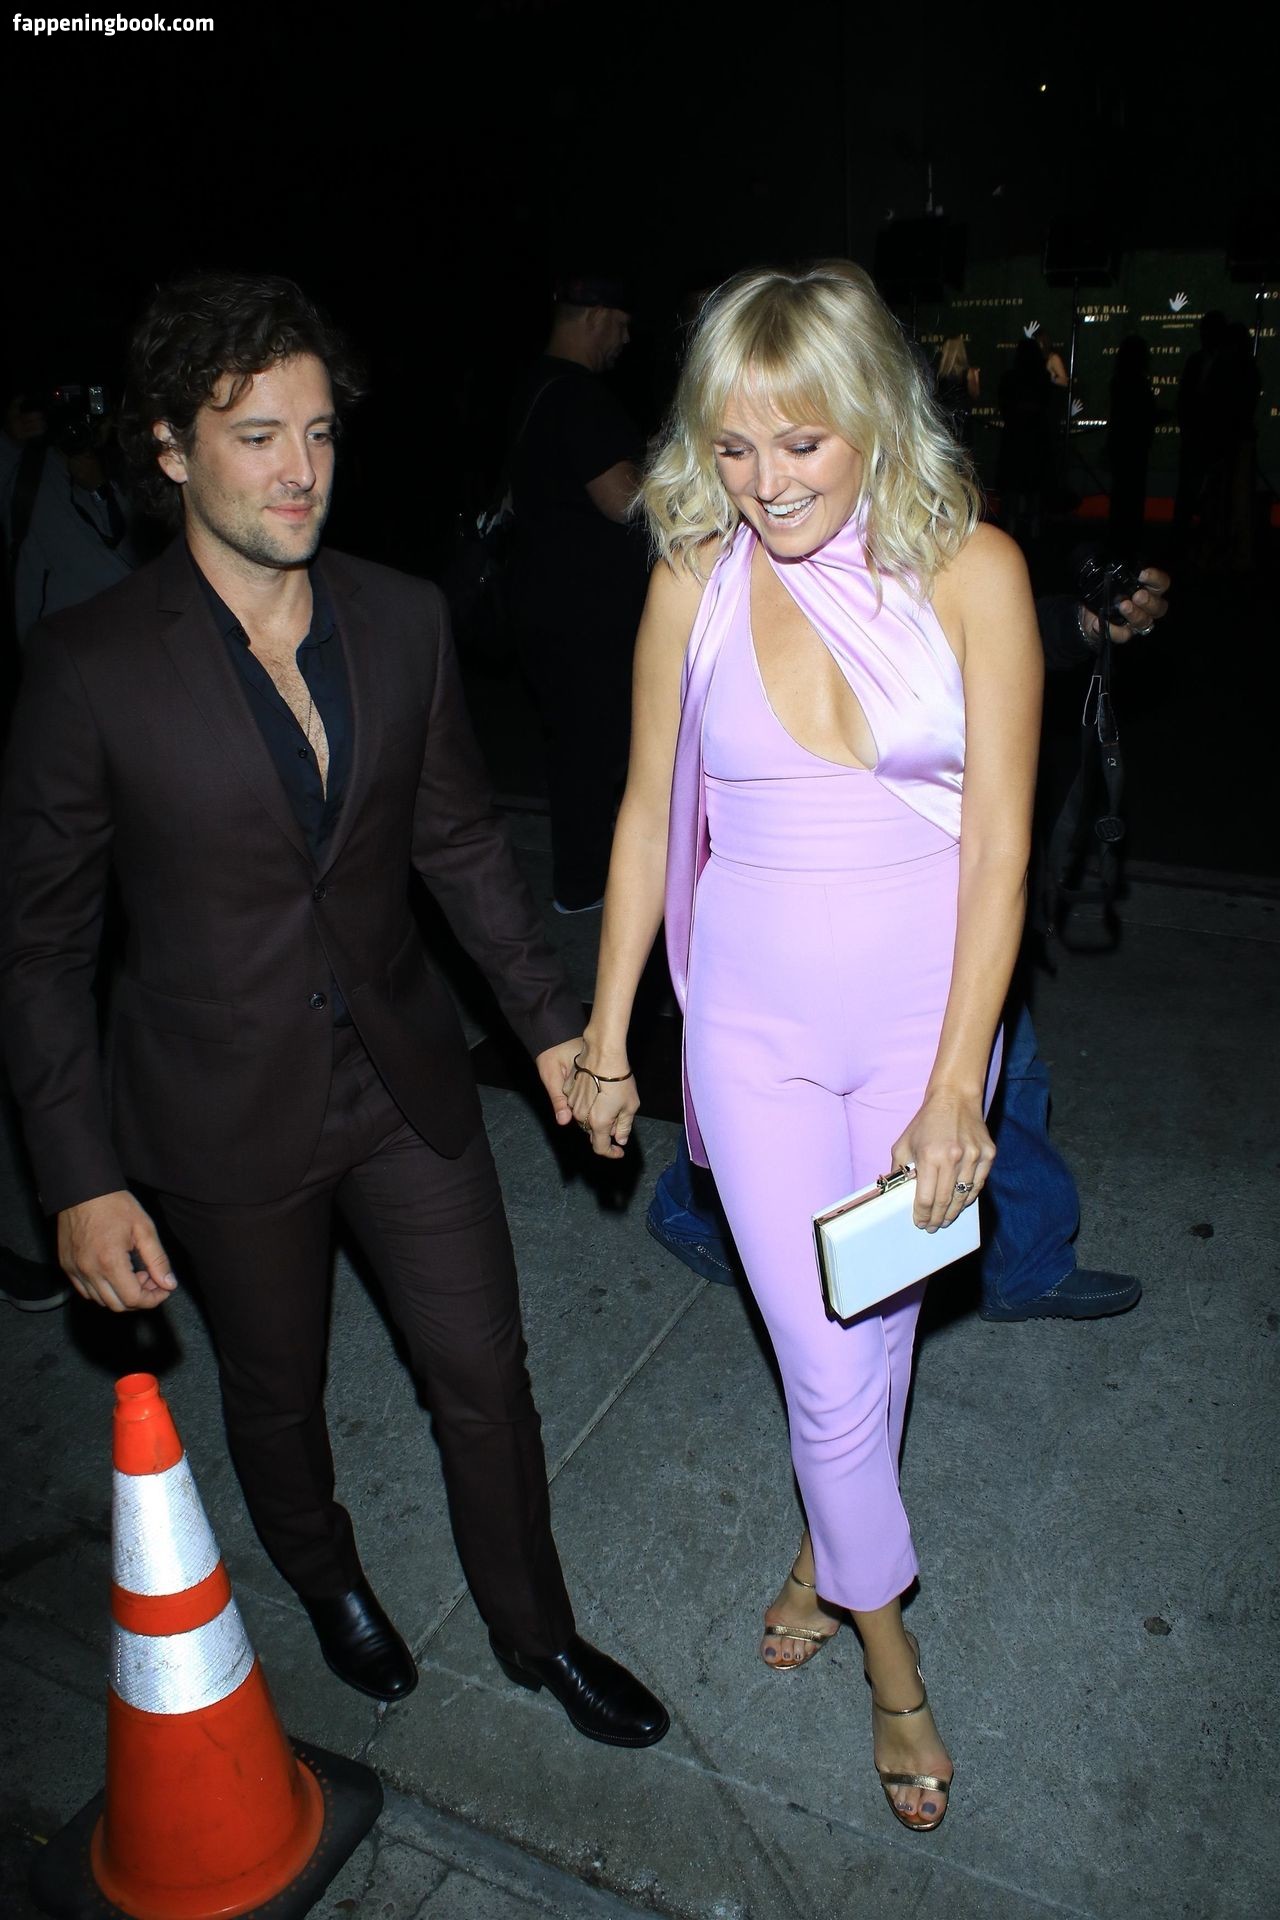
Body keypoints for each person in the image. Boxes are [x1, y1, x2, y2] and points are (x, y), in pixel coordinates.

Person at [0, 271, 667, 1750]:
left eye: (317, 432)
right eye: (256, 436)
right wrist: (79, 1178)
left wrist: (552, 1029)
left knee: (483, 1371)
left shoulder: (401, 618)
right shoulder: (90, 667)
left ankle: (536, 1631)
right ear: (170, 446)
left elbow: (460, 846)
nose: (299, 468)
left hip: (401, 1078)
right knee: (276, 1387)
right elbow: (39, 950)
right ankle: (325, 1578)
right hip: (219, 1108)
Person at [568, 262, 1043, 1832]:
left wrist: (959, 1084)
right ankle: (893, 1663)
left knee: (878, 1325)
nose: (764, 482)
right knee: (827, 1353)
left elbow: (1001, 852)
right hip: (752, 1034)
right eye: (733, 444)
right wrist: (607, 1029)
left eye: (801, 443)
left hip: (924, 1036)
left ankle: (823, 1555)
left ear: (873, 420)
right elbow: (649, 814)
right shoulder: (693, 577)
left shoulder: (973, 572)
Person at [647, 571, 1171, 1320]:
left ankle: (1023, 1256)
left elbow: (963, 604)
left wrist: (1079, 624)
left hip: (938, 873)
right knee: (791, 1068)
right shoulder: (739, 564)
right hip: (828, 860)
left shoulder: (966, 552)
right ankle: (698, 1202)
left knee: (991, 1066)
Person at [506, 271, 650, 912]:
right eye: (621, 325)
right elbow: (624, 501)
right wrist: (672, 482)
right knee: (594, 753)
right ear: (595, 316)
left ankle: (582, 876)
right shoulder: (578, 395)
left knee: (574, 746)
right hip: (583, 617)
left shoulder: (532, 385)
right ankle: (585, 886)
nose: (625, 340)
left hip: (542, 602)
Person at [933, 334, 980, 448]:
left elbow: (935, 396)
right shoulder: (969, 372)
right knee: (964, 451)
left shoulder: (939, 375)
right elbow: (974, 394)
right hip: (963, 419)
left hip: (944, 418)